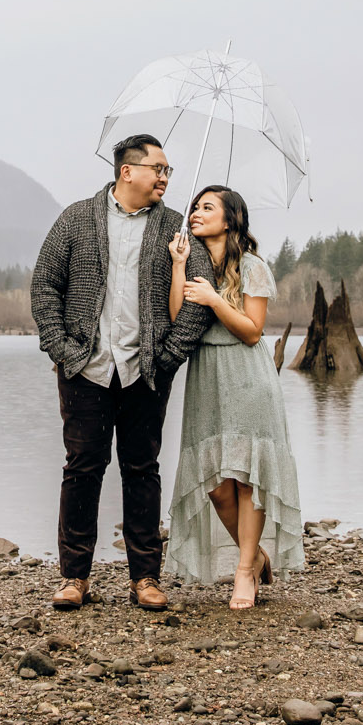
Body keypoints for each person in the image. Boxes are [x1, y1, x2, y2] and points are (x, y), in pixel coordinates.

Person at [30, 133, 214, 613]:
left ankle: (145, 579)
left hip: (145, 372)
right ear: (127, 171)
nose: (166, 177)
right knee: (82, 470)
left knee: (142, 471)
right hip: (85, 370)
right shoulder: (76, 219)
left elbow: (200, 293)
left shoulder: (177, 229)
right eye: (159, 168)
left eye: (169, 170)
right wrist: (61, 349)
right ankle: (74, 578)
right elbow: (45, 284)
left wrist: (170, 355)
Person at [163, 184, 303, 609]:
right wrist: (178, 268)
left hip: (246, 375)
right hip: (207, 374)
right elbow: (176, 318)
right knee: (216, 485)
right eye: (194, 207)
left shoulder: (254, 266)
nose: (195, 213)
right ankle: (257, 555)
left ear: (230, 219)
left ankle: (244, 572)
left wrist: (213, 298)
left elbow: (252, 330)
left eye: (207, 207)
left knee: (247, 480)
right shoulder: (196, 262)